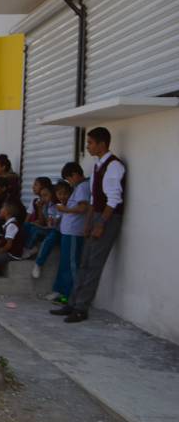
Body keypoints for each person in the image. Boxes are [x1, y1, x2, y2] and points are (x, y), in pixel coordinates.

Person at [52, 127, 125, 323]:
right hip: (96, 217)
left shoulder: (114, 166)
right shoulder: (97, 165)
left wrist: (101, 223)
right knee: (84, 262)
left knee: (94, 265)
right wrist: (89, 221)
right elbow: (94, 199)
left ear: (102, 144)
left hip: (108, 219)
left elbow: (113, 199)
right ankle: (73, 302)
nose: (88, 146)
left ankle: (82, 307)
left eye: (91, 143)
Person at [50, 164, 90, 302]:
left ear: (74, 175)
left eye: (69, 179)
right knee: (66, 263)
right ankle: (65, 293)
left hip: (74, 232)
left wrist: (65, 210)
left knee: (73, 265)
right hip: (68, 232)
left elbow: (83, 207)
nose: (69, 182)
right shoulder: (78, 187)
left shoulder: (83, 187)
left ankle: (73, 296)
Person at [24, 183, 61, 278]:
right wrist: (40, 208)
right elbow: (42, 222)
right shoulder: (46, 206)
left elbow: (56, 224)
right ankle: (28, 248)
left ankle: (38, 264)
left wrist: (47, 225)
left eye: (45, 195)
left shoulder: (58, 206)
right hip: (48, 229)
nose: (43, 198)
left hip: (58, 231)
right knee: (27, 226)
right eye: (41, 196)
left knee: (46, 237)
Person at [0, 200, 27, 276]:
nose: (0, 210)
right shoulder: (8, 224)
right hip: (8, 252)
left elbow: (8, 245)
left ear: (7, 212)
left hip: (13, 254)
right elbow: (4, 240)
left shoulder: (11, 226)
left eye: (2, 208)